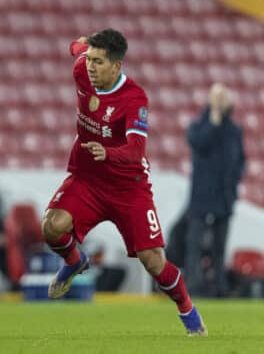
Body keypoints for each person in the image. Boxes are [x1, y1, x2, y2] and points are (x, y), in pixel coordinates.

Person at [41, 29, 207, 336]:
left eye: (99, 62)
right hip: (88, 179)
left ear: (116, 66)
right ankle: (74, 260)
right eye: (89, 60)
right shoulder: (81, 70)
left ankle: (187, 309)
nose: (90, 67)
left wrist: (108, 152)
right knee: (52, 226)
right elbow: (74, 46)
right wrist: (82, 45)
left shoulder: (134, 98)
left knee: (153, 261)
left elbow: (135, 151)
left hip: (128, 186)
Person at [184, 83, 245, 297]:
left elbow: (240, 161)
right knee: (194, 245)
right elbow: (198, 143)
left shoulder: (234, 131)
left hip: (224, 197)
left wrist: (233, 184)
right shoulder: (198, 126)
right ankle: (193, 285)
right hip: (201, 196)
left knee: (220, 246)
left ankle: (219, 286)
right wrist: (213, 122)